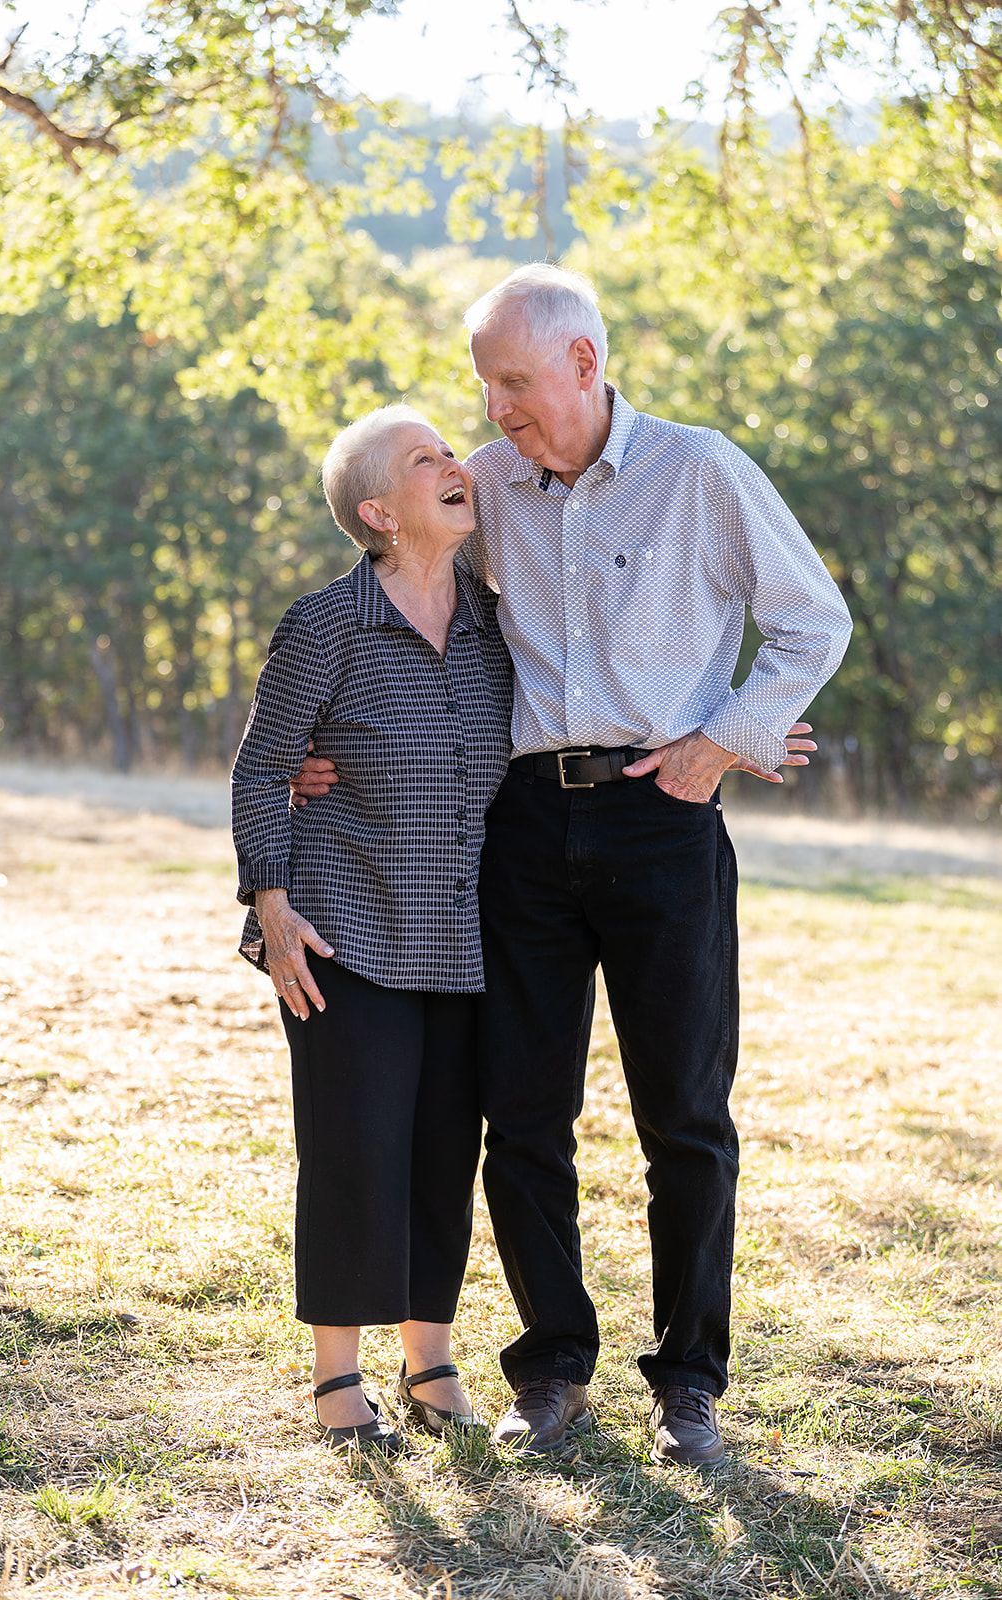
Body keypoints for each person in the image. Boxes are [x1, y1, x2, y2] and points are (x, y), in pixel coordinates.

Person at [295, 264, 852, 1467]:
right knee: (524, 1116)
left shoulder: (697, 471)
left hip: (662, 821)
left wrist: (726, 737)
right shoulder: (484, 487)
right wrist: (320, 749)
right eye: (484, 384)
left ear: (584, 365)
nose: (495, 409)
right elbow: (406, 598)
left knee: (685, 1117)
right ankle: (549, 1365)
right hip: (524, 835)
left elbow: (812, 619)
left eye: (512, 381)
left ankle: (686, 1381)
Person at [231, 404, 512, 1452]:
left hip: (464, 936)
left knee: (446, 1150)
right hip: (343, 928)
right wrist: (270, 903)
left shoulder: (497, 623)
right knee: (354, 1149)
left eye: (448, 448)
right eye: (423, 457)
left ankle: (429, 1358)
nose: (453, 462)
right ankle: (335, 1380)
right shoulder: (324, 625)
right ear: (378, 512)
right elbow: (264, 765)